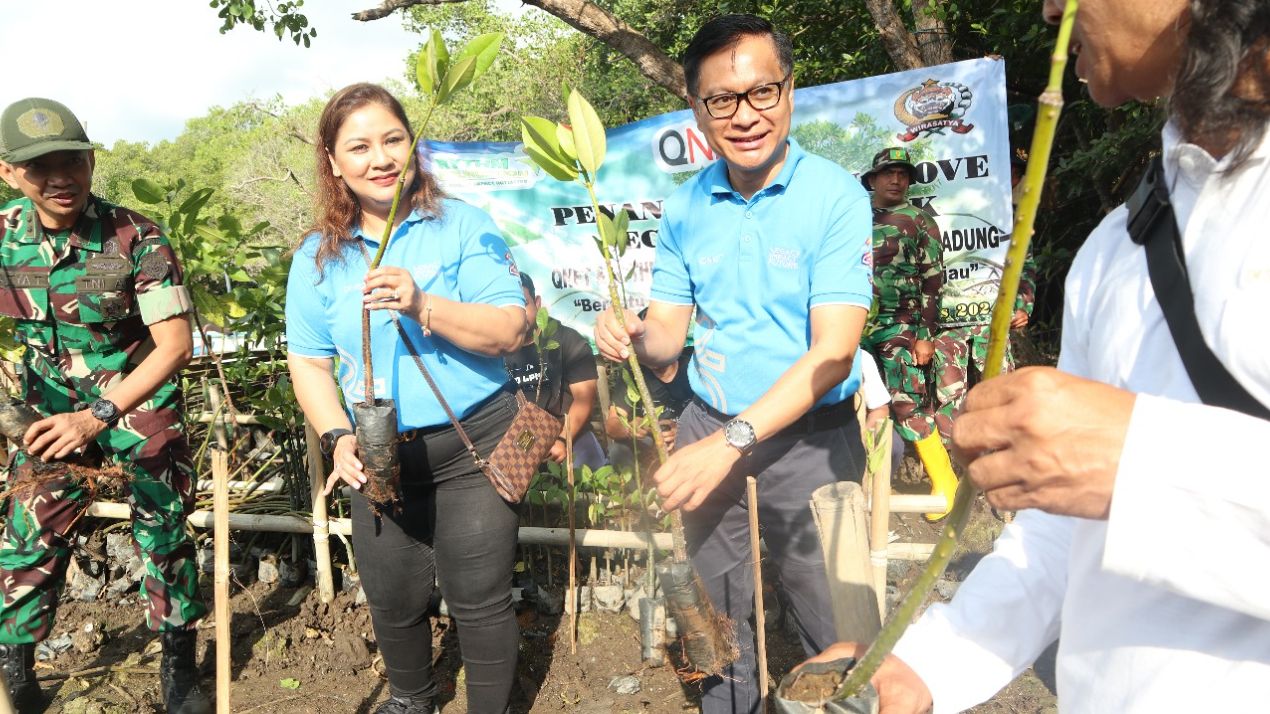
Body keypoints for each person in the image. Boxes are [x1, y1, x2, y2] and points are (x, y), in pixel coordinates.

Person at [804, 0, 1270, 710]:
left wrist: (1142, 463)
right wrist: (931, 662)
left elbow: (1116, 474)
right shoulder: (1118, 248)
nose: (1052, 7)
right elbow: (1064, 531)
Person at [594, 15, 872, 713]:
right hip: (707, 425)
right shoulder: (687, 205)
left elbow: (834, 354)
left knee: (840, 631)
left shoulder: (835, 196)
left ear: (790, 90)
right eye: (722, 99)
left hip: (813, 441)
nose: (745, 116)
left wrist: (734, 441)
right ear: (697, 108)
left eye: (762, 93)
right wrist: (628, 336)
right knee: (711, 621)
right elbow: (667, 339)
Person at [285, 83, 527, 714]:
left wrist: (424, 304)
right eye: (359, 147)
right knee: (392, 597)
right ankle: (412, 701)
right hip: (375, 454)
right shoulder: (317, 258)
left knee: (480, 599)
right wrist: (337, 437)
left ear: (413, 145)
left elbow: (510, 328)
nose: (381, 158)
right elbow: (308, 361)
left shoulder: (461, 226)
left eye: (393, 139)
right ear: (333, 163)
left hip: (474, 443)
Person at [0, 98, 211, 713]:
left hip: (134, 394)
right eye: (41, 167)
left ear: (91, 162)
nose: (60, 176)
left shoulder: (135, 237)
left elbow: (174, 345)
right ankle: (18, 670)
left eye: (73, 160)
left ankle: (178, 667)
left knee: (164, 526)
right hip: (45, 407)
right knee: (27, 532)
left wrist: (98, 415)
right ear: (10, 173)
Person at [859, 147, 956, 521]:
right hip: (858, 326)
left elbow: (933, 281)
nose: (896, 180)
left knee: (905, 404)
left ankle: (944, 481)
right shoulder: (854, 217)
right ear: (873, 180)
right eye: (888, 173)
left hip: (902, 327)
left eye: (903, 174)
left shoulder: (919, 221)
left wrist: (925, 335)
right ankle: (875, 483)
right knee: (866, 406)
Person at [928, 147, 1038, 448]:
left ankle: (1002, 451)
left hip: (993, 318)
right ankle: (954, 460)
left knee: (1000, 388)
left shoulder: (1014, 218)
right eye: (1008, 172)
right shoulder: (946, 207)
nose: (1012, 178)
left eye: (1015, 173)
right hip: (948, 317)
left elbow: (1026, 267)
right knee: (949, 392)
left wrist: (1022, 305)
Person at [504, 272, 606, 470]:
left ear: (537, 303)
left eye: (522, 303)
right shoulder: (495, 351)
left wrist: (562, 439)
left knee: (592, 489)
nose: (516, 313)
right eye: (509, 307)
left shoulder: (569, 341)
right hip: (517, 442)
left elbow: (584, 399)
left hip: (569, 433)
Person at [604, 311, 694, 475]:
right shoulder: (632, 373)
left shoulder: (694, 368)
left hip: (688, 448)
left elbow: (715, 419)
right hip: (646, 447)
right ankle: (634, 499)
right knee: (618, 451)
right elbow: (612, 425)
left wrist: (682, 431)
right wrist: (630, 428)